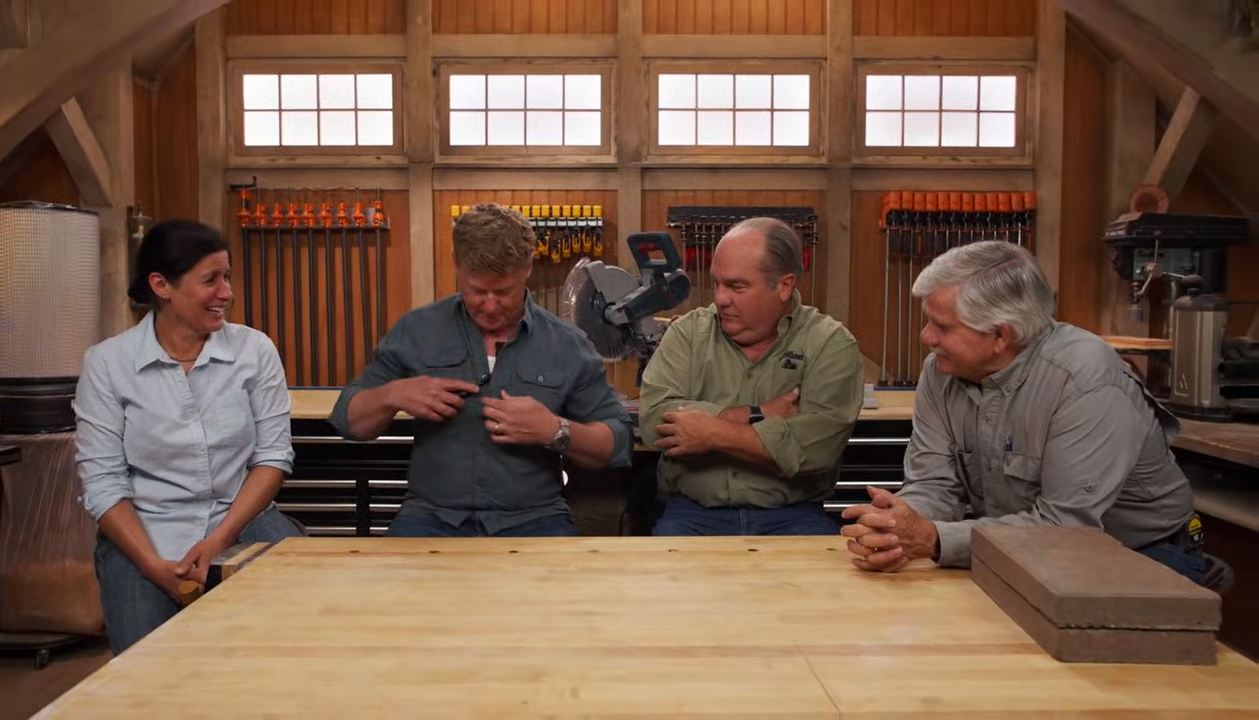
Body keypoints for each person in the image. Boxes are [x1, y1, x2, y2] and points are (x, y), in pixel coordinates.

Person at [840, 240, 1232, 591]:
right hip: (1019, 549)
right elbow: (933, 484)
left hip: (1140, 553)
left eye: (941, 325)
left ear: (1001, 335)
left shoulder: (1086, 381)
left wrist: (934, 539)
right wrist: (897, 528)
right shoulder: (941, 372)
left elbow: (1067, 529)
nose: (926, 337)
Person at [329, 203, 632, 537]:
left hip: (535, 518)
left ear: (528, 268)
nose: (490, 306)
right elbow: (348, 422)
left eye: (503, 292)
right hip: (430, 518)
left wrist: (554, 430)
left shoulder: (568, 345)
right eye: (476, 291)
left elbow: (617, 442)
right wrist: (391, 394)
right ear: (456, 264)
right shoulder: (416, 330)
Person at [74, 220, 304, 655]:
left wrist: (219, 541)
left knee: (297, 638)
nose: (226, 293)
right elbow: (103, 483)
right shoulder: (107, 363)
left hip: (242, 520)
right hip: (145, 532)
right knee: (146, 668)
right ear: (161, 286)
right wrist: (152, 566)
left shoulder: (255, 351)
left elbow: (273, 458)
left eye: (227, 277)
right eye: (211, 280)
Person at [638, 217, 864, 535]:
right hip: (692, 515)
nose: (720, 298)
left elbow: (817, 450)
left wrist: (713, 432)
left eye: (736, 286)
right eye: (717, 283)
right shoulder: (687, 334)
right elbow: (653, 422)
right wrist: (760, 414)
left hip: (794, 516)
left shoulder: (829, 343)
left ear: (784, 286)